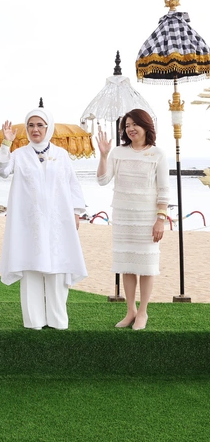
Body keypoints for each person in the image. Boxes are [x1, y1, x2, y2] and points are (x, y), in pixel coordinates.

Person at [0, 102, 87, 330]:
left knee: (58, 268)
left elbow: (72, 185)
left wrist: (76, 211)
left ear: (48, 127)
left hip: (58, 221)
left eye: (40, 125)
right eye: (31, 125)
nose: (35, 129)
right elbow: (1, 169)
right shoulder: (19, 154)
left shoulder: (61, 155)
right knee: (31, 267)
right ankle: (34, 321)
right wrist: (6, 143)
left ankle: (57, 320)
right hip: (29, 223)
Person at [96, 109, 169, 330]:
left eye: (135, 124)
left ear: (146, 126)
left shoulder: (157, 154)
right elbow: (102, 180)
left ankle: (143, 312)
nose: (130, 128)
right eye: (127, 125)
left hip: (147, 219)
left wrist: (160, 219)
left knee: (146, 266)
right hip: (123, 217)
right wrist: (104, 155)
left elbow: (164, 190)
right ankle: (130, 311)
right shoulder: (118, 153)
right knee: (127, 264)